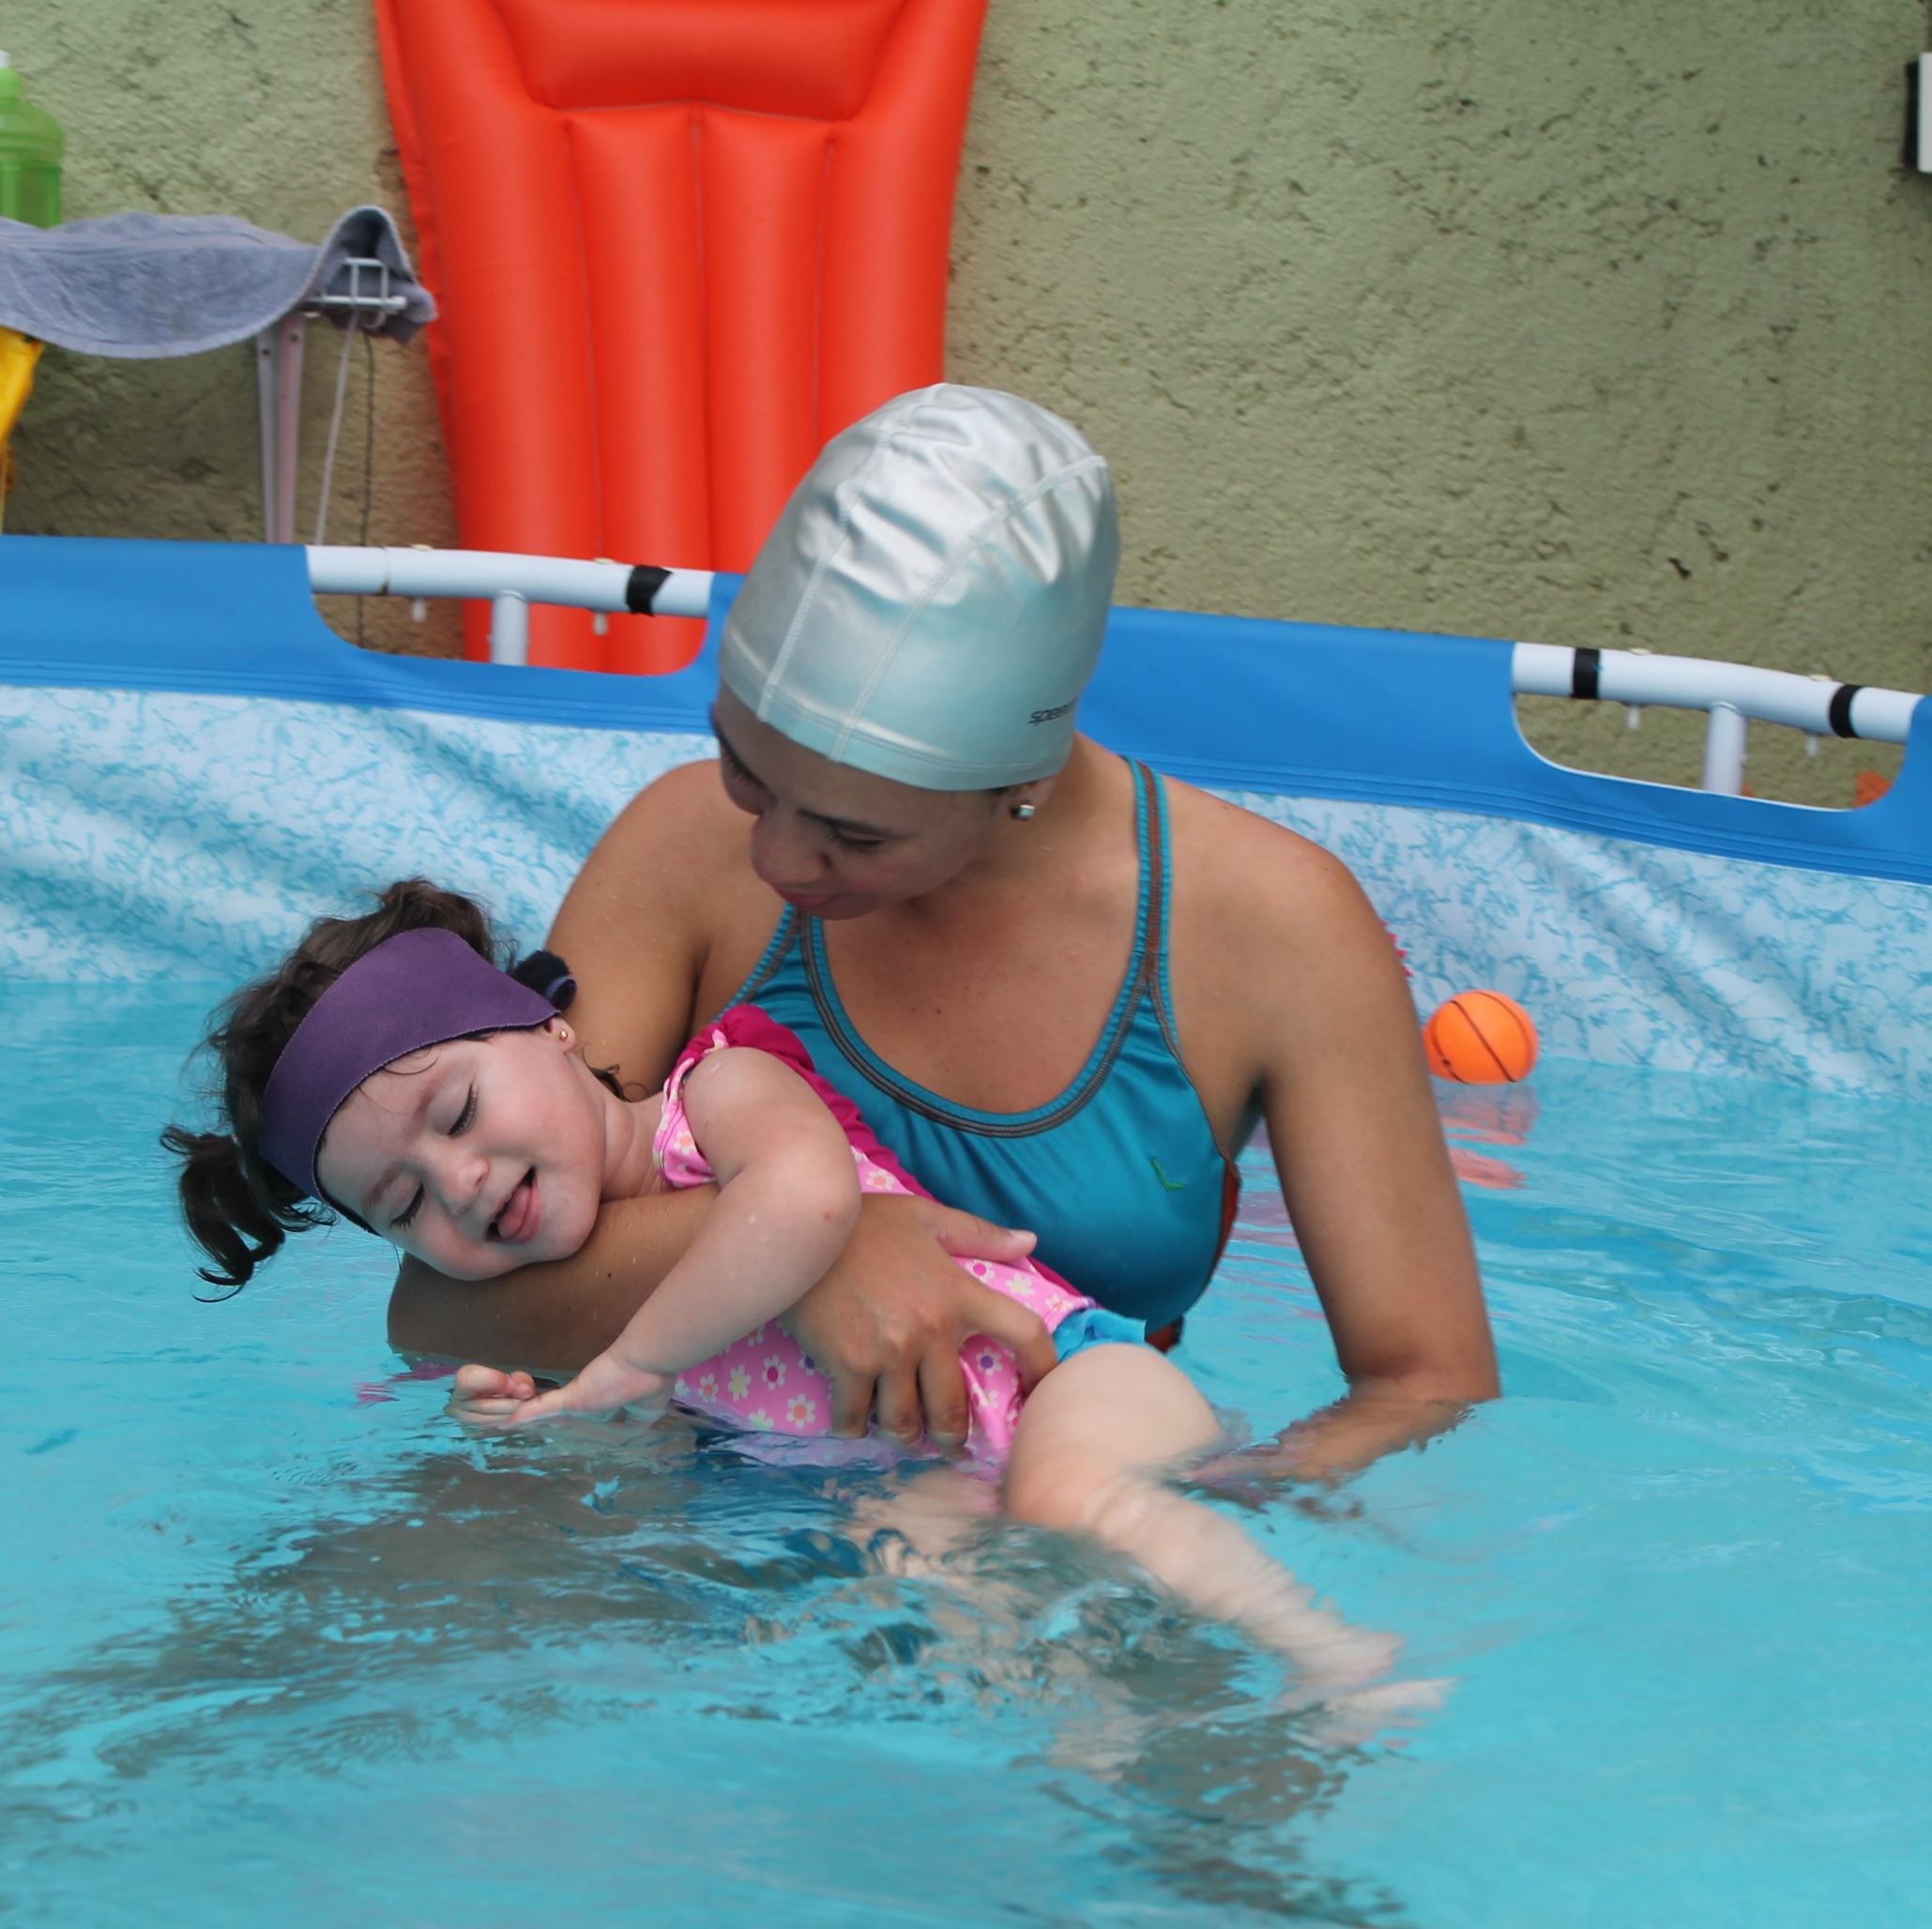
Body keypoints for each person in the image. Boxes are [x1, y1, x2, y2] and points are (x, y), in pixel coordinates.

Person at [386, 385, 1499, 1480]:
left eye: (852, 833)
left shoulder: (1272, 929)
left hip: (1035, 1530)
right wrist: (809, 1246)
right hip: (677, 1502)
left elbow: (1424, 1386)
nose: (773, 858)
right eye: (744, 768)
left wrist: (1168, 1521)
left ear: (1019, 777)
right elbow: (439, 1297)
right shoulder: (682, 849)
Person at [162, 881, 1438, 1724]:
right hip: (920, 1455)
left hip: (1065, 1376)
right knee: (931, 1591)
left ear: (549, 1033)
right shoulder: (549, 1291)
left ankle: (1329, 1658)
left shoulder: (713, 1094)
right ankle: (1095, 1745)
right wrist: (542, 1403)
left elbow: (804, 1211)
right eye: (402, 1204)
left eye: (454, 1114)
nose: (462, 1183)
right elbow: (693, 1420)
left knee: (1064, 1502)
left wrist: (619, 1364)